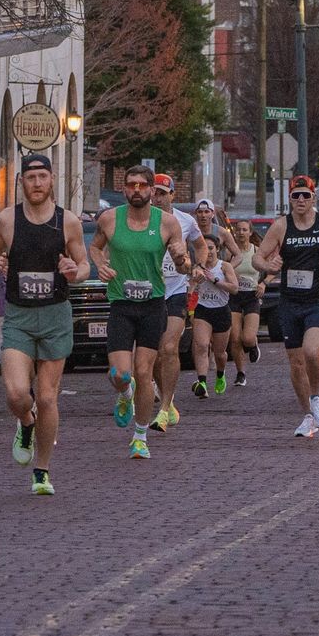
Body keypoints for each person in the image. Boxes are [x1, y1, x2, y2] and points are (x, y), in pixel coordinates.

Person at [0, 153, 92, 496]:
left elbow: (84, 266)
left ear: (51, 181)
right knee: (18, 394)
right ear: (22, 183)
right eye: (30, 179)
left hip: (55, 315)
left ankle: (42, 471)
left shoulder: (69, 222)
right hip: (19, 315)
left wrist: (75, 273)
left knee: (47, 397)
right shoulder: (7, 220)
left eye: (42, 178)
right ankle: (26, 423)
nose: (36, 184)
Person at [91, 165, 190, 458]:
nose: (136, 190)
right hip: (121, 304)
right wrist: (100, 264)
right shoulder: (109, 219)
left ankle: (140, 436)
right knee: (121, 374)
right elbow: (96, 248)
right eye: (131, 185)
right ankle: (124, 394)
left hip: (152, 305)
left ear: (151, 190)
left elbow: (183, 259)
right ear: (124, 189)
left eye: (142, 185)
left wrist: (181, 259)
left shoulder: (167, 222)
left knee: (144, 371)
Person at [253, 175, 319, 438]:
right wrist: (268, 266)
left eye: (306, 195)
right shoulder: (281, 227)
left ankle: (317, 397)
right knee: (295, 363)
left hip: (317, 300)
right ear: (290, 199)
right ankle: (308, 415)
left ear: (314, 198)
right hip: (290, 302)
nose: (301, 200)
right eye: (296, 196)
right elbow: (257, 259)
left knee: (311, 350)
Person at [148, 174, 207, 434]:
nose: (157, 197)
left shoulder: (185, 221)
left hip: (175, 290)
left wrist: (199, 266)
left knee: (169, 348)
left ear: (172, 195)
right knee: (156, 355)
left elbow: (201, 246)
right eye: (155, 192)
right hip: (149, 292)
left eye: (162, 193)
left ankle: (165, 407)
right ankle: (164, 396)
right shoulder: (141, 219)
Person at [190, 233, 239, 396]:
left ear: (217, 249)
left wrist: (216, 281)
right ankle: (202, 382)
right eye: (205, 248)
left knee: (220, 353)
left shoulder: (224, 266)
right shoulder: (197, 267)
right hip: (203, 310)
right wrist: (194, 283)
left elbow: (235, 288)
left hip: (221, 311)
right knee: (202, 346)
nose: (208, 252)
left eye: (211, 248)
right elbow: (189, 289)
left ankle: (220, 374)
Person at [227, 218, 263, 386]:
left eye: (244, 230)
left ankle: (253, 344)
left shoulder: (257, 251)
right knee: (235, 338)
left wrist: (264, 283)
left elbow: (272, 269)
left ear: (250, 232)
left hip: (251, 297)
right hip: (234, 296)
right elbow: (222, 269)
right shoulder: (230, 253)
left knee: (247, 338)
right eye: (238, 230)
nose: (241, 233)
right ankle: (240, 373)